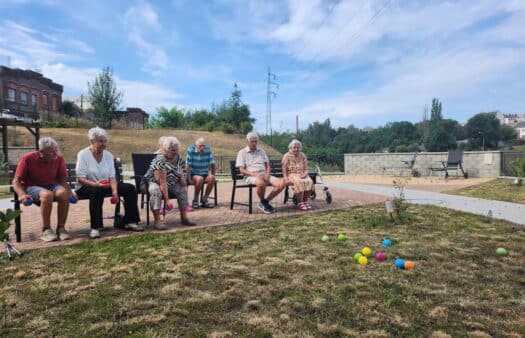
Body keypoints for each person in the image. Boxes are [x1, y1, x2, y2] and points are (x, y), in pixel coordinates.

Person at [75, 127, 142, 239]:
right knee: (97, 190)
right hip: (87, 186)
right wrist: (96, 184)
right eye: (100, 141)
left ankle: (130, 221)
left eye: (105, 141)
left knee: (129, 188)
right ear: (92, 141)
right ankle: (95, 228)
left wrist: (115, 192)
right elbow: (80, 178)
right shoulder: (83, 154)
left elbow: (112, 177)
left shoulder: (108, 155)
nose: (104, 144)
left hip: (105, 185)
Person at [12, 137, 73, 242]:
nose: (55, 154)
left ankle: (61, 228)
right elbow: (16, 181)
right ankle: (46, 230)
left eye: (56, 150)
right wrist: (22, 194)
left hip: (52, 185)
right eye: (52, 152)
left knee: (63, 193)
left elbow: (62, 180)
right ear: (41, 152)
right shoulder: (27, 158)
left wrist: (70, 192)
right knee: (47, 195)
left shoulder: (59, 159)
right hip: (32, 186)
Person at [143, 136, 196, 229]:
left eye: (176, 150)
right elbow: (162, 181)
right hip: (153, 181)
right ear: (165, 149)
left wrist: (182, 177)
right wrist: (167, 200)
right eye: (172, 150)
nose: (175, 152)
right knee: (156, 191)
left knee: (182, 188)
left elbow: (182, 169)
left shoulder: (178, 157)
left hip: (171, 181)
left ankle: (184, 218)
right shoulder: (160, 160)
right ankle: (157, 221)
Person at [235, 132, 285, 214]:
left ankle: (264, 202)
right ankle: (264, 203)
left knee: (282, 183)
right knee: (261, 183)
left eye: (256, 141)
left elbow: (268, 166)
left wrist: (267, 174)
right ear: (247, 141)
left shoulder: (262, 151)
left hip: (264, 174)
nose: (254, 143)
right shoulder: (242, 152)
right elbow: (242, 170)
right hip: (250, 176)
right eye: (252, 141)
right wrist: (256, 175)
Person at [282, 139, 314, 211]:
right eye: (294, 147)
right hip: (292, 174)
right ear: (291, 148)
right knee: (298, 182)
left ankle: (305, 201)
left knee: (310, 181)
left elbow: (306, 168)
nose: (296, 149)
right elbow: (284, 167)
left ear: (300, 148)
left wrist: (305, 174)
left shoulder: (302, 155)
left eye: (298, 147)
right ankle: (300, 202)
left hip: (301, 174)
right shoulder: (287, 155)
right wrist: (285, 177)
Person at [185, 137, 216, 209]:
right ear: (196, 146)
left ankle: (204, 200)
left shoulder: (207, 149)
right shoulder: (191, 150)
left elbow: (213, 163)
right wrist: (189, 178)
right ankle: (195, 200)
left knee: (212, 178)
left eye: (203, 146)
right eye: (200, 146)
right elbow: (187, 165)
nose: (202, 148)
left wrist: (213, 175)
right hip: (194, 174)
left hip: (205, 173)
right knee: (200, 179)